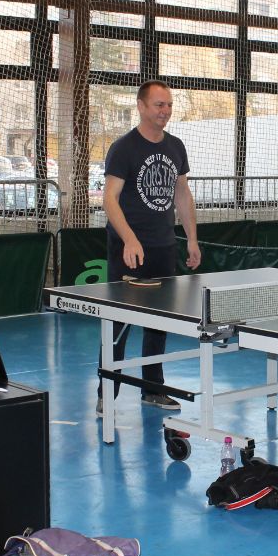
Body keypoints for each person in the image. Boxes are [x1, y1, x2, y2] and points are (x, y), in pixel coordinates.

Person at [99, 80, 202, 414]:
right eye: (159, 105)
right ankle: (106, 392)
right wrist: (129, 238)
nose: (165, 111)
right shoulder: (123, 148)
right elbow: (109, 198)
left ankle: (153, 390)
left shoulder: (176, 146)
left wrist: (192, 238)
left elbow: (182, 194)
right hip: (128, 249)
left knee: (159, 323)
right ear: (141, 106)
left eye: (169, 105)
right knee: (118, 323)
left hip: (163, 247)